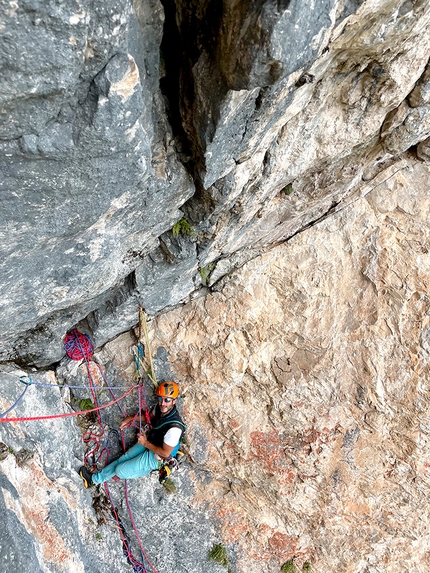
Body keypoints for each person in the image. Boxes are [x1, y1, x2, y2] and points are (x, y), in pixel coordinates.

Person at [79, 381, 185, 488]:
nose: (163, 403)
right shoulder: (159, 408)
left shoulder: (174, 429)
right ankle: (93, 480)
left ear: (174, 401)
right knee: (123, 459)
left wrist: (145, 443)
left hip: (157, 456)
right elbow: (148, 417)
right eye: (160, 399)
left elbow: (165, 453)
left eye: (167, 400)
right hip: (150, 441)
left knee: (120, 471)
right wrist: (130, 419)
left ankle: (153, 469)